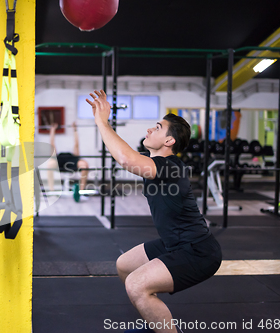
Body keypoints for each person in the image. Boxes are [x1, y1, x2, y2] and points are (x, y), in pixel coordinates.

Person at [87, 90, 222, 333]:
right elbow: (127, 154)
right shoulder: (155, 164)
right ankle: (153, 316)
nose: (150, 130)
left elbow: (126, 159)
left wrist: (102, 121)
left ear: (169, 141)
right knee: (125, 265)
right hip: (174, 243)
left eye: (158, 127)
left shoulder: (170, 167)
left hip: (198, 251)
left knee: (136, 285)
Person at [46, 122, 89, 192]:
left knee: (84, 165)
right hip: (60, 160)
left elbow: (76, 144)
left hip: (72, 160)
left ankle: (81, 190)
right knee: (50, 164)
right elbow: (52, 143)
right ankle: (51, 190)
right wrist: (52, 130)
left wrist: (75, 129)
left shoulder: (74, 154)